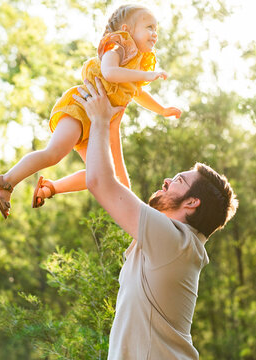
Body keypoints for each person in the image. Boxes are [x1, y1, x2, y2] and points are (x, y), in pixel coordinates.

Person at [75, 77, 238, 359]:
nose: (166, 180)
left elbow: (101, 182)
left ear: (191, 202)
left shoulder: (175, 242)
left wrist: (100, 120)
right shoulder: (174, 242)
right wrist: (112, 128)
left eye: (177, 180)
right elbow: (120, 188)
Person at [0, 4, 181, 218]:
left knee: (98, 174)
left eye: (156, 29)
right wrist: (147, 76)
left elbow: (136, 92)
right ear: (127, 29)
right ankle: (5, 182)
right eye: (149, 27)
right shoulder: (118, 47)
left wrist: (162, 110)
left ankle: (50, 187)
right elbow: (109, 73)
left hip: (94, 123)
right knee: (54, 154)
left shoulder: (137, 65)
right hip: (80, 108)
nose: (154, 34)